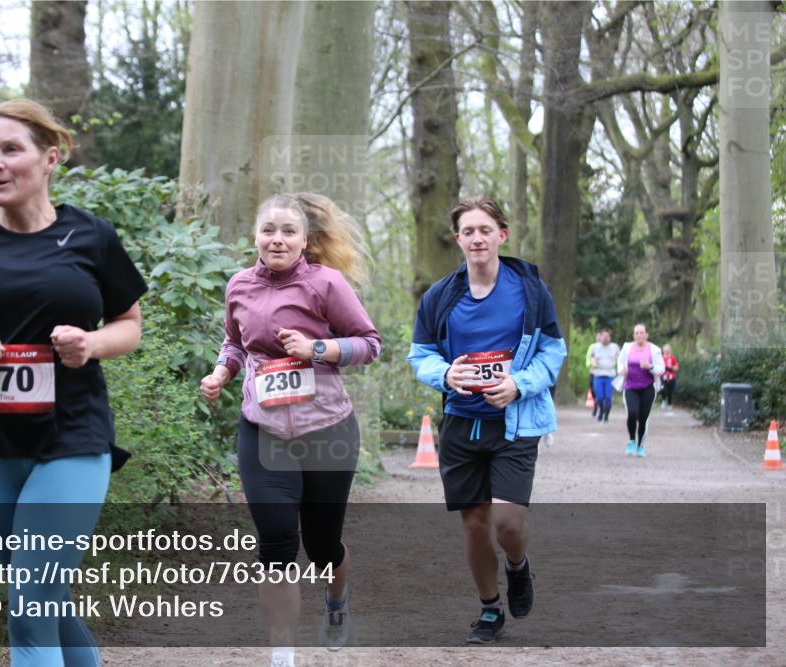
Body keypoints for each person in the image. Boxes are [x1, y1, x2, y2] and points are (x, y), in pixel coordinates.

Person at [0, 99, 147, 666]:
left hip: (73, 436)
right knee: (42, 596)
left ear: (50, 158)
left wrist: (91, 344)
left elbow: (130, 326)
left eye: (10, 150)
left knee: (28, 600)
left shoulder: (94, 236)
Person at [200, 193, 380, 666]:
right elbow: (234, 343)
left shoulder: (326, 283)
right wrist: (221, 372)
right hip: (264, 430)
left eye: (287, 231)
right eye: (268, 230)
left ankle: (336, 601)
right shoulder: (239, 284)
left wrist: (316, 350)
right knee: (277, 542)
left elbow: (369, 344)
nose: (276, 239)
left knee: (321, 546)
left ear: (304, 240)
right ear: (254, 236)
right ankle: (283, 656)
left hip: (328, 430)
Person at [407, 195, 566, 644]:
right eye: (468, 231)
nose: (477, 238)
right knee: (475, 523)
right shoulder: (441, 295)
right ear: (458, 240)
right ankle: (490, 609)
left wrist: (520, 384)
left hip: (513, 423)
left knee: (508, 523)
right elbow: (420, 355)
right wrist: (445, 374)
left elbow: (554, 350)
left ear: (502, 234)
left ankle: (518, 566)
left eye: (485, 229)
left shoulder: (530, 289)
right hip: (461, 423)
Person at [615, 323, 664, 457]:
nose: (639, 335)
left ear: (646, 335)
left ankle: (640, 446)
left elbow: (661, 368)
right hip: (630, 387)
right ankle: (631, 440)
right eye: (636, 333)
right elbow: (620, 363)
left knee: (643, 419)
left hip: (648, 388)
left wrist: (650, 366)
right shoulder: (627, 347)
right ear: (634, 335)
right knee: (632, 413)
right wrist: (622, 370)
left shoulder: (654, 350)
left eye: (642, 332)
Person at [589, 328, 620, 422]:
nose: (605, 338)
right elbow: (591, 358)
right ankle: (601, 410)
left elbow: (620, 358)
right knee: (599, 397)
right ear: (600, 337)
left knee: (608, 397)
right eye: (603, 336)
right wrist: (593, 362)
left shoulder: (614, 347)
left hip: (610, 375)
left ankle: (606, 415)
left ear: (610, 338)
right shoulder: (595, 347)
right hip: (598, 374)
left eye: (607, 336)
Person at [585, 331, 601, 419]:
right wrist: (590, 364)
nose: (598, 338)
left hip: (602, 373)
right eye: (597, 337)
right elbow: (588, 357)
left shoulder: (605, 348)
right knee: (593, 390)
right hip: (593, 372)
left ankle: (600, 407)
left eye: (600, 337)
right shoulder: (592, 347)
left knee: (600, 391)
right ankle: (595, 404)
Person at [661, 343, 679, 412]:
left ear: (670, 350)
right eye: (665, 350)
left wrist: (671, 367)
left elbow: (676, 368)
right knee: (662, 389)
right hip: (663, 376)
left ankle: (669, 404)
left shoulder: (673, 358)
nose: (666, 351)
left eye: (667, 350)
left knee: (670, 391)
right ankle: (663, 400)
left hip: (671, 377)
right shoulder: (661, 358)